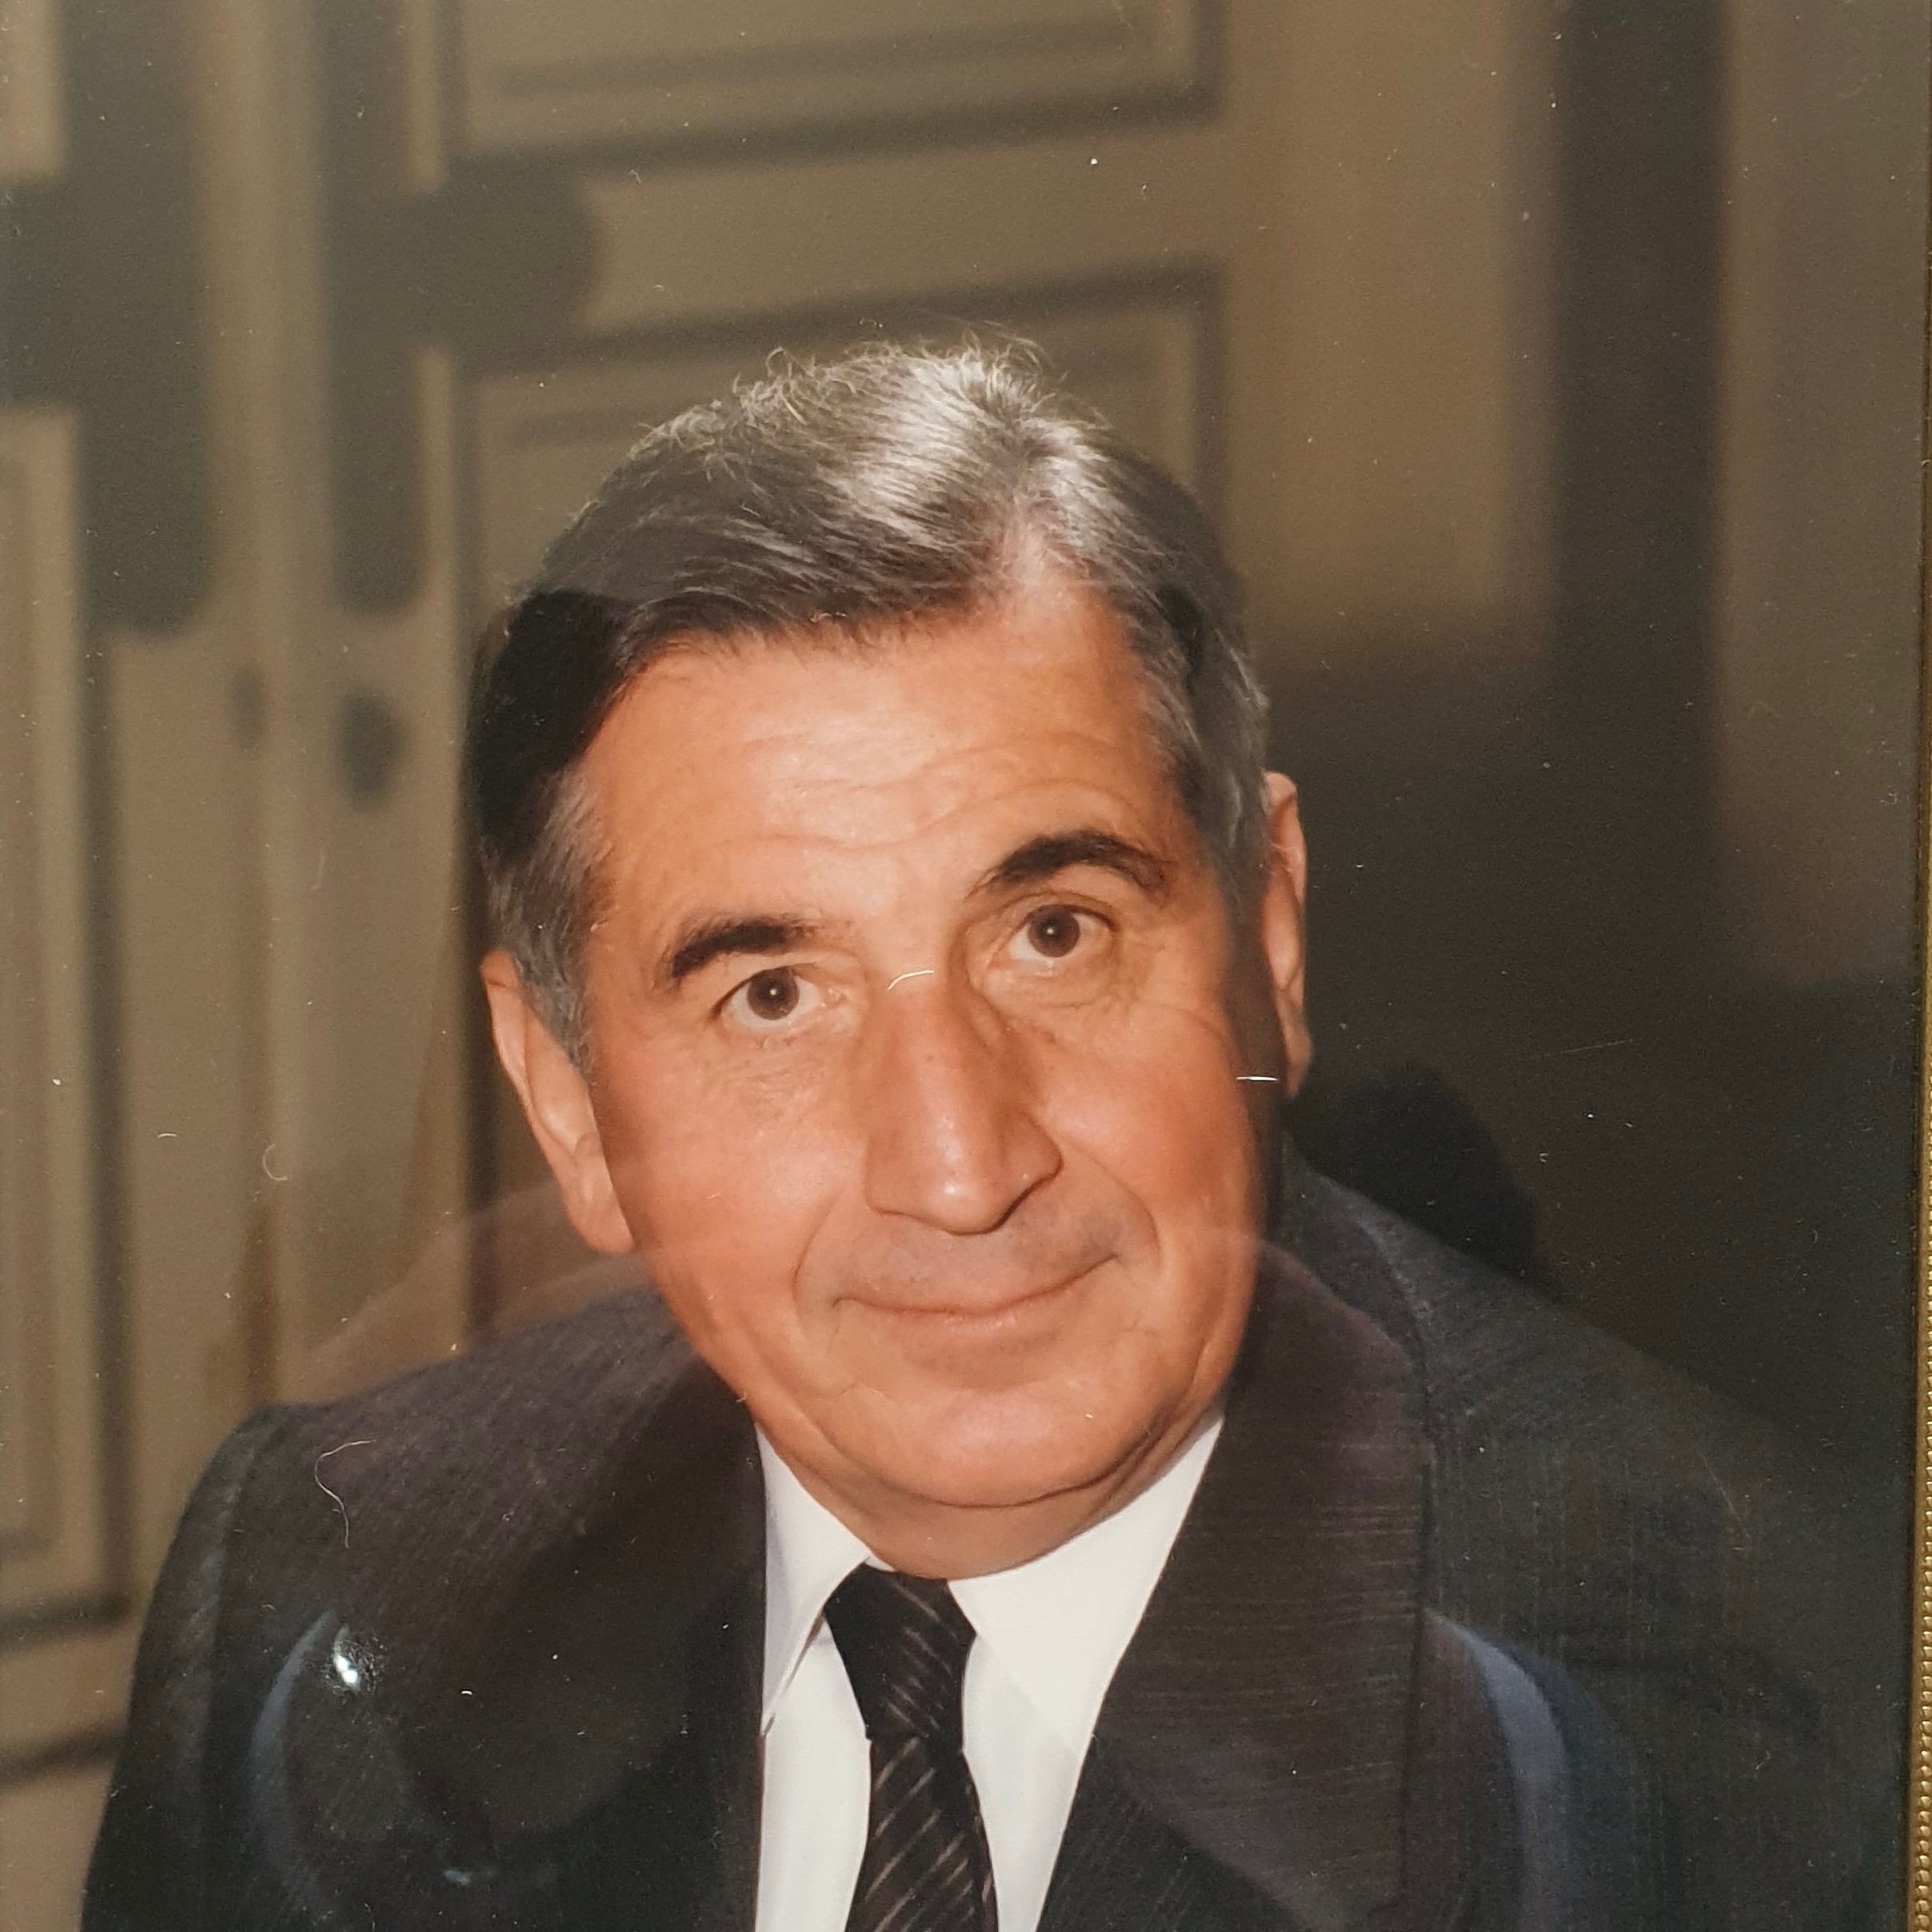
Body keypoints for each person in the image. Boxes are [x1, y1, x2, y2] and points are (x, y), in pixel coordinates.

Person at [86, 343, 1897, 1932]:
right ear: (565, 1099)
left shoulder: (1793, 1715)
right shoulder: (326, 1576)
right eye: (772, 994)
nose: (959, 1169)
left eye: (1052, 934)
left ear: (1267, 940)